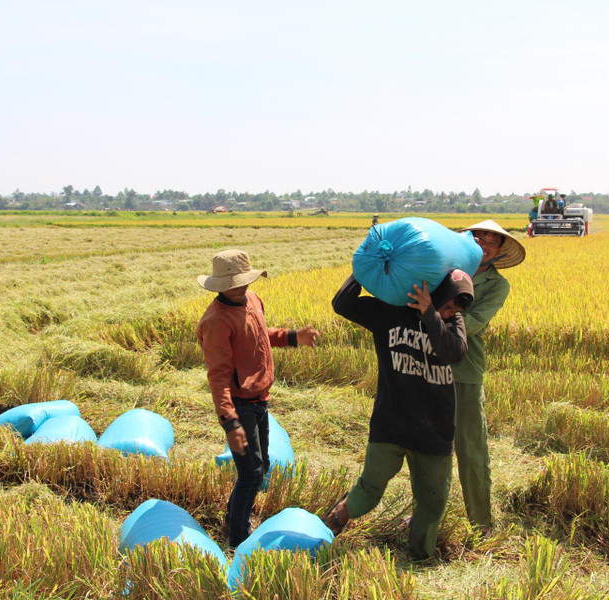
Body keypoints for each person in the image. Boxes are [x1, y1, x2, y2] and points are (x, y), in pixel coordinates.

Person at [322, 269, 474, 560]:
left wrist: (432, 313)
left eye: (452, 310)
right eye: (445, 306)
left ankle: (420, 557)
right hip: (391, 420)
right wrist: (365, 269)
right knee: (369, 490)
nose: (447, 313)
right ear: (435, 293)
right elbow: (342, 305)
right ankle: (334, 520)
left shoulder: (452, 323)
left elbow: (453, 353)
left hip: (435, 426)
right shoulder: (390, 312)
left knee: (433, 500)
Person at [195, 249, 319, 548]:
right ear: (219, 285)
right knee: (250, 474)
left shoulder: (252, 300)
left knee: (260, 468)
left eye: (242, 282)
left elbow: (263, 334)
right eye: (231, 284)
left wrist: (293, 337)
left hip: (259, 399)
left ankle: (232, 519)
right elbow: (218, 376)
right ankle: (237, 538)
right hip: (240, 405)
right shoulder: (216, 321)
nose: (238, 288)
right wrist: (231, 423)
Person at [451, 220, 525, 530]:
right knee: (426, 450)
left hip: (464, 371)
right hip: (425, 367)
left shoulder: (497, 285)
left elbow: (471, 324)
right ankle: (426, 516)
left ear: (498, 253)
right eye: (478, 237)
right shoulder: (445, 271)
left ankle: (480, 524)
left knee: (471, 451)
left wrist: (429, 314)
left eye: (491, 242)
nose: (483, 244)